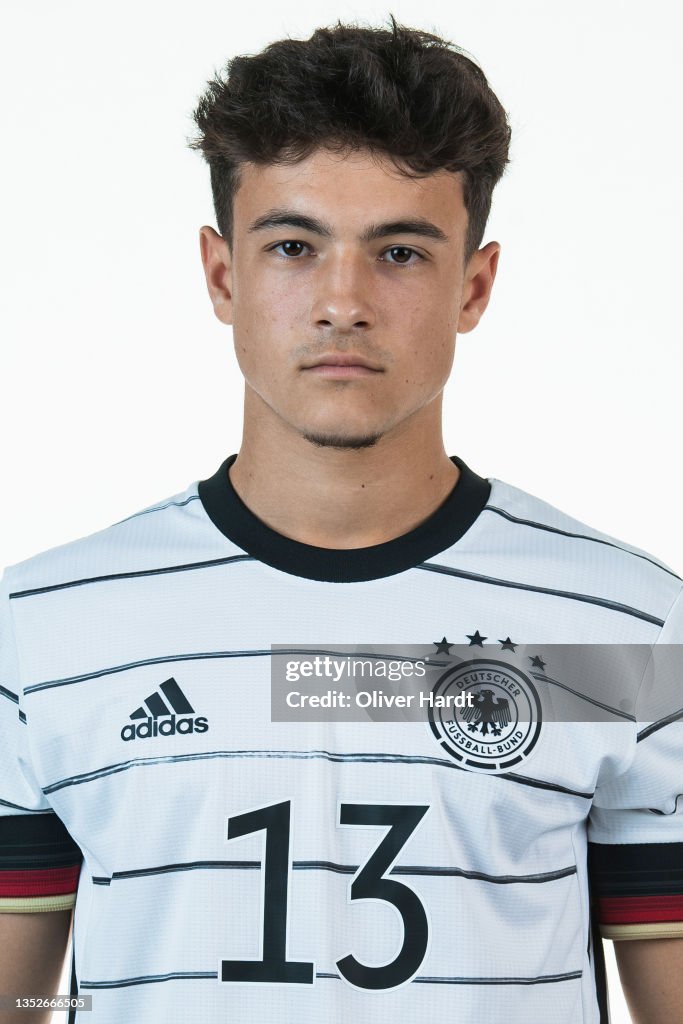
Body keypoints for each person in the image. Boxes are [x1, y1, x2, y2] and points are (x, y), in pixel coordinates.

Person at [1, 16, 681, 1024]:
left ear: (474, 284)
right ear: (223, 275)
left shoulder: (617, 629)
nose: (341, 301)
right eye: (291, 245)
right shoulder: (47, 625)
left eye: (399, 251)